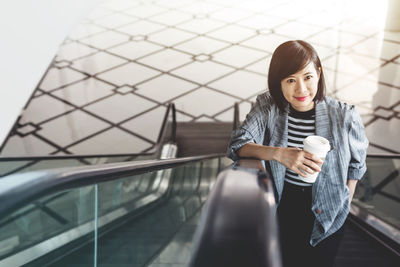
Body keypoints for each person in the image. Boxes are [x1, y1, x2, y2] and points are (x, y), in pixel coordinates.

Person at [226, 40, 368, 267]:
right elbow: (237, 144)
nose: (301, 89)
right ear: (278, 82)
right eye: (290, 80)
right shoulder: (268, 108)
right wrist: (279, 154)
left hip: (329, 211)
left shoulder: (344, 116)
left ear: (319, 74)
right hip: (283, 205)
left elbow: (357, 166)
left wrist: (345, 203)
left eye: (308, 77)